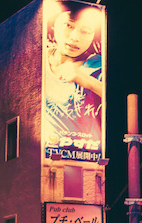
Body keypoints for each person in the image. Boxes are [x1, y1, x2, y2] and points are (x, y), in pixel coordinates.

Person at [44, 1, 104, 160]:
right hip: (38, 159)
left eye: (86, 31)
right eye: (69, 26)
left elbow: (120, 100)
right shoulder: (36, 60)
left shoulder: (97, 66)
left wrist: (85, 80)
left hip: (83, 158)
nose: (75, 37)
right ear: (54, 25)